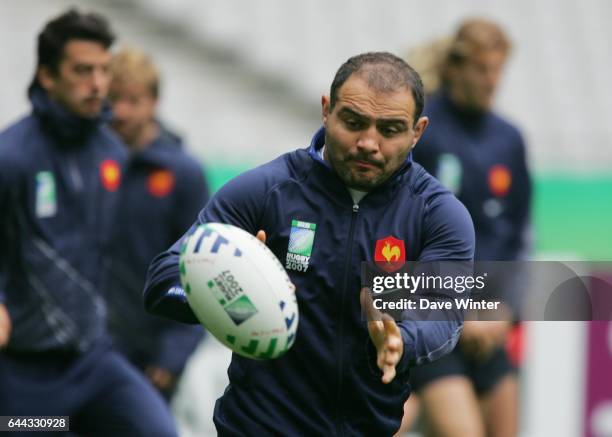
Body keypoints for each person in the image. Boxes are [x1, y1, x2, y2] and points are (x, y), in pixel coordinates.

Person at [143, 51, 475, 435]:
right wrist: (227, 288)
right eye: (353, 122)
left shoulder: (437, 215)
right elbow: (163, 281)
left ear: (417, 131)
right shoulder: (268, 191)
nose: (368, 142)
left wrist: (404, 339)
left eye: (389, 130)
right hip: (256, 427)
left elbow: (446, 310)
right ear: (326, 110)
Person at [0, 9, 177, 436]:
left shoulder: (111, 152)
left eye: (103, 70)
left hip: (96, 363)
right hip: (26, 374)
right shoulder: (11, 157)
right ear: (47, 75)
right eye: (83, 71)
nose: (98, 84)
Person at [404, 18, 532, 437]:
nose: (492, 80)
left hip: (489, 323)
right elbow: (405, 234)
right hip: (432, 316)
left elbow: (518, 236)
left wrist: (504, 308)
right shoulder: (422, 131)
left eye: (498, 69)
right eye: (482, 69)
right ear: (456, 68)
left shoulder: (510, 139)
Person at [105, 47, 209, 399]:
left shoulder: (183, 174)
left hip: (149, 357)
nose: (119, 112)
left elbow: (200, 264)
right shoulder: (85, 164)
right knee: (36, 424)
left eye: (131, 100)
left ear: (153, 102)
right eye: (112, 99)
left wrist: (174, 352)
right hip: (84, 349)